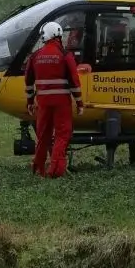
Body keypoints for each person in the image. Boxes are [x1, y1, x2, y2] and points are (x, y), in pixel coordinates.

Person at [26, 21, 81, 177]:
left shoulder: (35, 56)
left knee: (43, 134)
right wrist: (79, 102)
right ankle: (56, 169)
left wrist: (30, 101)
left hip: (43, 102)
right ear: (58, 35)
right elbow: (74, 82)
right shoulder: (65, 55)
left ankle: (38, 168)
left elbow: (28, 82)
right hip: (61, 102)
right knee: (62, 134)